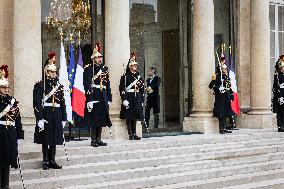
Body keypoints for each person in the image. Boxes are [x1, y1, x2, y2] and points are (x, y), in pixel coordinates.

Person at [33, 63, 67, 170]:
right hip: (46, 113)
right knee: (45, 138)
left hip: (57, 113)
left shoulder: (59, 86)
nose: (54, 74)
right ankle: (45, 160)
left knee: (55, 137)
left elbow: (62, 103)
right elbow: (37, 103)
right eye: (51, 72)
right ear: (46, 72)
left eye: (55, 72)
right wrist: (40, 118)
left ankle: (52, 160)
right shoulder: (40, 85)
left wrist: (64, 117)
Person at [0, 65, 24, 189]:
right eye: (4, 87)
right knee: (1, 160)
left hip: (11, 132)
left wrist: (20, 135)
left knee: (9, 158)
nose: (6, 89)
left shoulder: (13, 101)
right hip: (0, 132)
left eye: (7, 87)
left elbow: (18, 119)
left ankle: (6, 185)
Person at [84, 46, 112, 147]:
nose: (100, 59)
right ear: (93, 59)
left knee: (101, 118)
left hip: (102, 94)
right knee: (94, 118)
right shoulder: (88, 69)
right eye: (98, 57)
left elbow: (107, 84)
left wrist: (109, 97)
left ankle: (99, 139)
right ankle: (93, 140)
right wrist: (89, 99)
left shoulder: (105, 69)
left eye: (100, 57)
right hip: (94, 94)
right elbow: (87, 84)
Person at [119, 55, 145, 140]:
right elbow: (122, 89)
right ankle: (130, 133)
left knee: (135, 116)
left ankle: (134, 133)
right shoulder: (125, 77)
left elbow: (141, 90)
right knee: (129, 116)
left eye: (136, 66)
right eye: (134, 65)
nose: (135, 67)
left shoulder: (139, 77)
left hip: (136, 97)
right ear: (130, 67)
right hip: (129, 97)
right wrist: (124, 99)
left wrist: (141, 99)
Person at [209, 64, 234, 134]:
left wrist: (232, 96)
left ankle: (225, 127)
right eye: (224, 69)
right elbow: (211, 85)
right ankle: (221, 128)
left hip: (226, 97)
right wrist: (219, 88)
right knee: (221, 113)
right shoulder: (216, 76)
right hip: (220, 98)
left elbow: (229, 87)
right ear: (221, 69)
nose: (226, 70)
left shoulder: (227, 77)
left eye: (226, 69)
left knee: (226, 113)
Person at [272, 55, 284, 132]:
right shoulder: (277, 76)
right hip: (280, 96)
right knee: (280, 112)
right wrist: (280, 97)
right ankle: (280, 126)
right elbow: (276, 87)